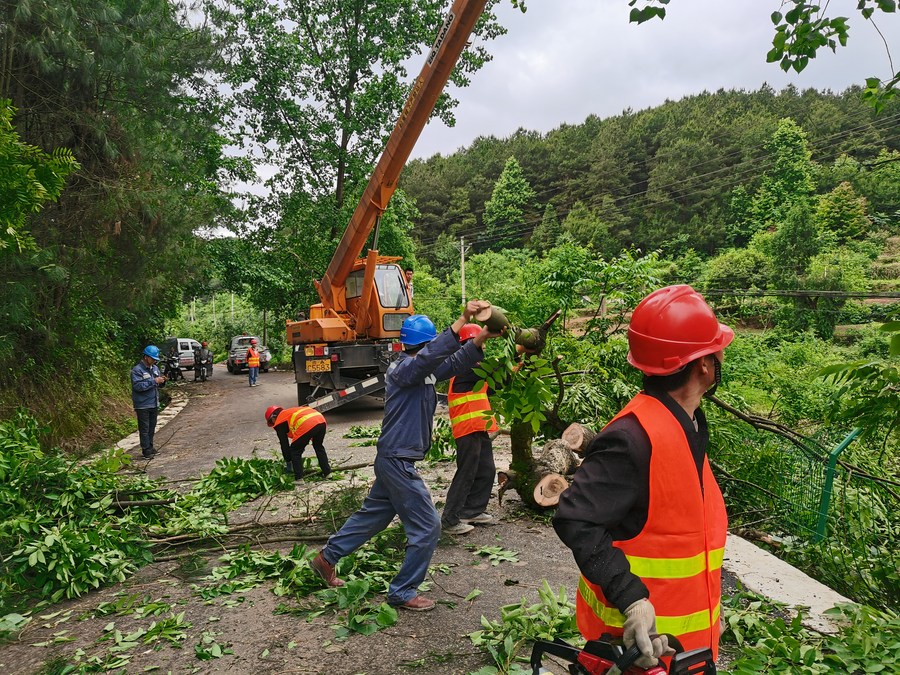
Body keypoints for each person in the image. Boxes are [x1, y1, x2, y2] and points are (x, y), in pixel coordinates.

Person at [553, 285, 733, 671]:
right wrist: (632, 598)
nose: (721, 357)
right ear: (703, 364)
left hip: (688, 651)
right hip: (640, 652)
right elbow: (575, 516)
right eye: (717, 350)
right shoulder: (633, 438)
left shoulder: (687, 422)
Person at [310, 301, 503, 612]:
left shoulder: (420, 371)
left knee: (374, 515)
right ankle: (402, 590)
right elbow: (431, 358)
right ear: (424, 345)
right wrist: (462, 319)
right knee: (428, 527)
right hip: (397, 461)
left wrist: (481, 335)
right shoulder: (404, 369)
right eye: (430, 347)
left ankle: (325, 559)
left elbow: (453, 363)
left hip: (395, 458)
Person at [441, 323, 499, 536]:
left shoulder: (476, 371)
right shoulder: (466, 368)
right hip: (467, 429)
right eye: (480, 344)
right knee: (466, 473)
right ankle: (449, 520)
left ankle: (472, 510)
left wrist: (515, 365)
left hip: (478, 428)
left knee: (486, 469)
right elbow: (493, 370)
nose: (483, 348)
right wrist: (516, 351)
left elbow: (496, 384)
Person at [265, 405, 330, 479]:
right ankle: (327, 473)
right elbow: (303, 438)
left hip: (307, 423)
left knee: (295, 451)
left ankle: (299, 478)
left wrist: (288, 461)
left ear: (273, 418)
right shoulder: (289, 413)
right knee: (318, 447)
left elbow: (284, 445)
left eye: (271, 422)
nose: (273, 424)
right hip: (320, 419)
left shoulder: (279, 422)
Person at [131, 345, 167, 459]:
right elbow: (138, 386)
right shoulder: (137, 370)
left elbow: (157, 384)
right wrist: (154, 381)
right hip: (142, 404)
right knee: (144, 428)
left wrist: (162, 381)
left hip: (153, 403)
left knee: (152, 427)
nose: (154, 360)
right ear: (146, 357)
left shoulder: (155, 369)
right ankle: (145, 449)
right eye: (152, 358)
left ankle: (150, 447)